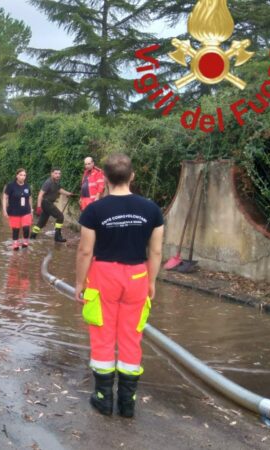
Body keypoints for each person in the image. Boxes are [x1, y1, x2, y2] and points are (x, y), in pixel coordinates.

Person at [74, 153, 164, 418]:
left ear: (103, 178)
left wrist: (80, 282)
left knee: (102, 337)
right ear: (132, 176)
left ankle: (104, 398)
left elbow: (84, 251)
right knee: (131, 337)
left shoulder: (94, 211)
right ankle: (127, 402)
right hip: (138, 276)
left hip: (103, 277)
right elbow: (156, 252)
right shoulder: (152, 209)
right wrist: (151, 281)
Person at [32, 168, 73, 242]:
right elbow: (40, 194)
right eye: (56, 173)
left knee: (41, 222)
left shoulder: (56, 182)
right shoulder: (48, 182)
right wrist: (38, 206)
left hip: (48, 203)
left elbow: (59, 190)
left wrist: (69, 194)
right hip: (46, 203)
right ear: (52, 173)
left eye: (59, 174)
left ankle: (32, 236)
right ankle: (57, 237)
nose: (58, 175)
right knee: (60, 216)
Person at [2, 168, 33, 251]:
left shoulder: (27, 186)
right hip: (14, 211)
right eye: (21, 175)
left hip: (26, 211)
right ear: (17, 176)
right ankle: (15, 243)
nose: (23, 177)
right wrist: (4, 209)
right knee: (15, 229)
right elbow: (5, 197)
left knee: (26, 228)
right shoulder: (11, 186)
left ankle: (25, 242)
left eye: (24, 175)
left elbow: (29, 198)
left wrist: (31, 209)